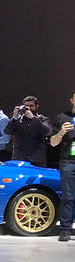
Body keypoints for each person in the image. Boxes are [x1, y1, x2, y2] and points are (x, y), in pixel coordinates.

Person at [49, 91, 75, 241]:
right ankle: (65, 229)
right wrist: (60, 132)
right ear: (71, 100)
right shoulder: (62, 118)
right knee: (68, 197)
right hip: (68, 163)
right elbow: (52, 143)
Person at [5, 96, 51, 166]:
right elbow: (7, 131)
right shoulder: (18, 119)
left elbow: (47, 131)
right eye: (26, 106)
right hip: (19, 158)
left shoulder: (43, 119)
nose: (29, 108)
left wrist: (33, 118)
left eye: (31, 106)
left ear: (37, 106)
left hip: (37, 159)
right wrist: (14, 117)